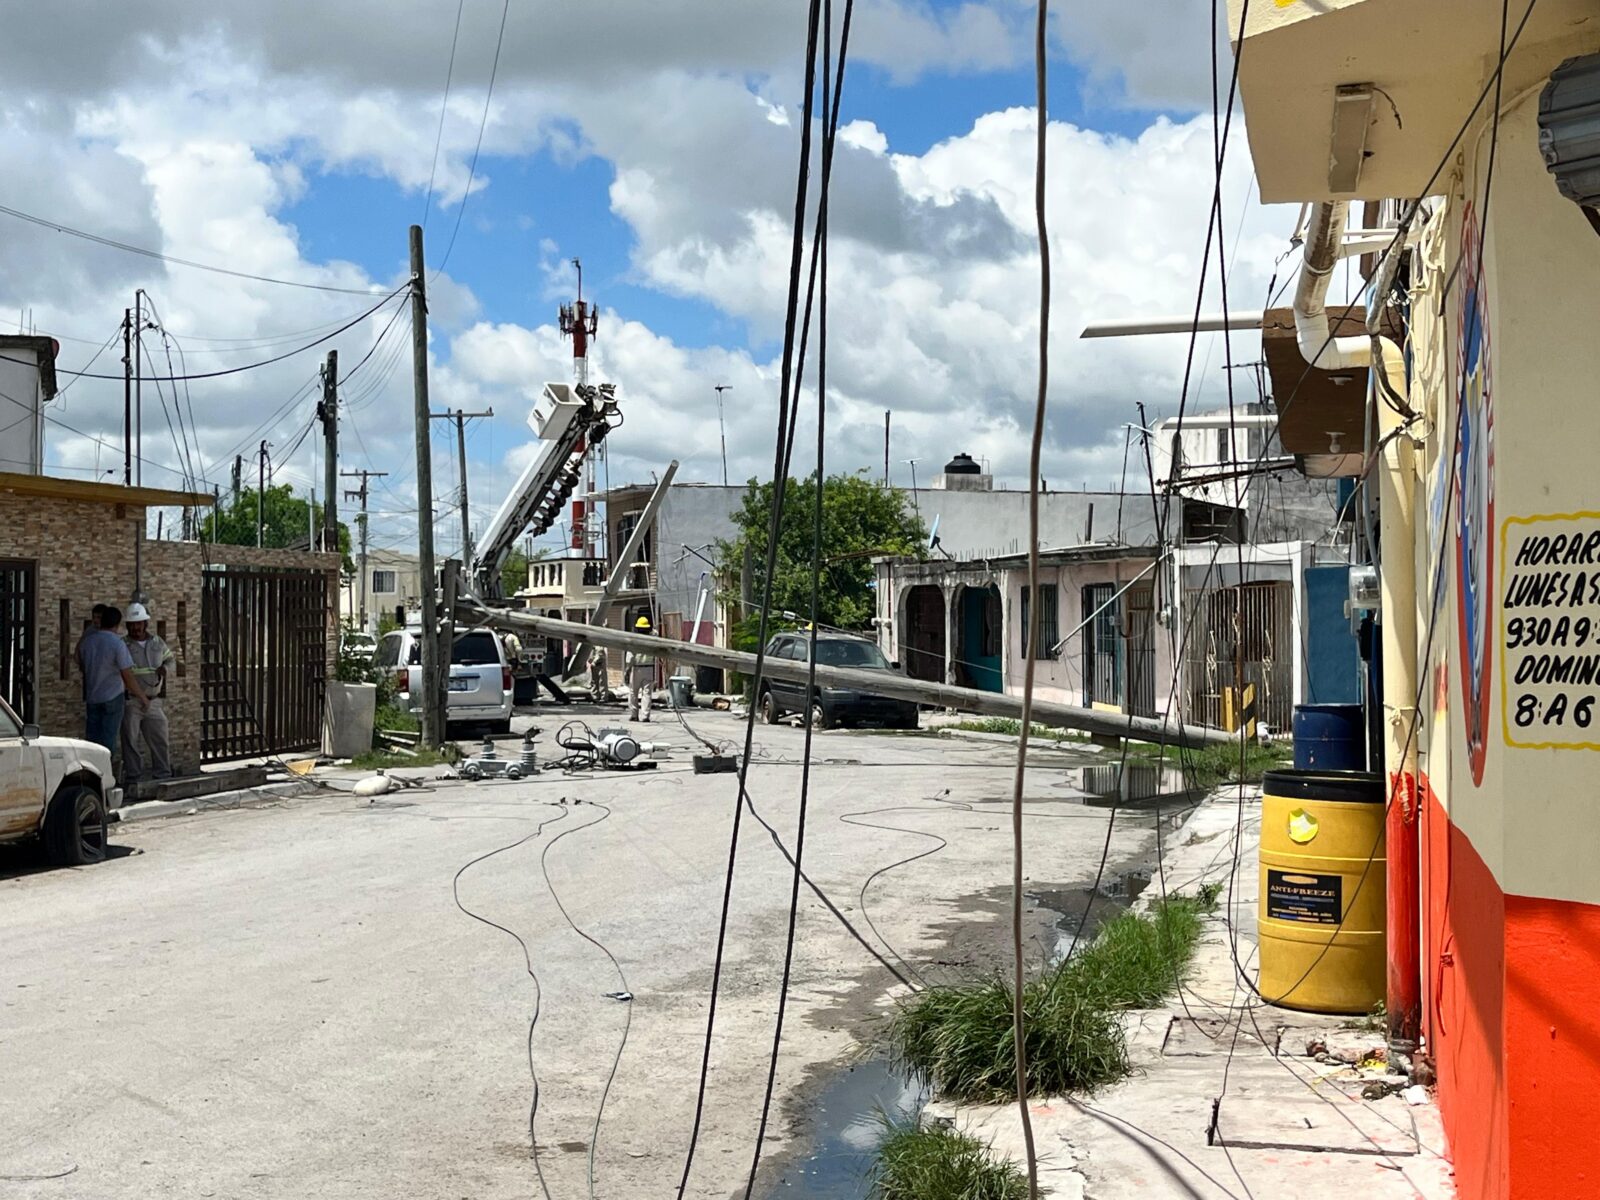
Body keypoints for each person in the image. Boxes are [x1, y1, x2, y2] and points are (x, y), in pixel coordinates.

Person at [78, 605, 148, 757]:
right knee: (108, 741)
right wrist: (143, 697)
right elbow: (127, 675)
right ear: (117, 624)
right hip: (113, 697)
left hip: (93, 696)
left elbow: (79, 660)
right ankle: (106, 775)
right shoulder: (117, 644)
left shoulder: (87, 642)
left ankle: (92, 774)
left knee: (92, 741)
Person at [122, 602, 174, 783]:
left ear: (145, 623)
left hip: (154, 700)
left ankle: (163, 775)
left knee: (160, 738)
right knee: (131, 741)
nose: (136, 628)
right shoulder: (123, 645)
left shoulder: (157, 642)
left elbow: (171, 660)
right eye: (132, 624)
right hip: (132, 701)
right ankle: (134, 777)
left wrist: (166, 669)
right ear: (127, 625)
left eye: (139, 623)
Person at [623, 616, 658, 722]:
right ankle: (645, 716)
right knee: (647, 693)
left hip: (637, 668)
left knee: (633, 692)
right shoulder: (652, 640)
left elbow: (630, 657)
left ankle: (634, 714)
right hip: (649, 668)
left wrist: (627, 669)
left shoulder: (635, 640)